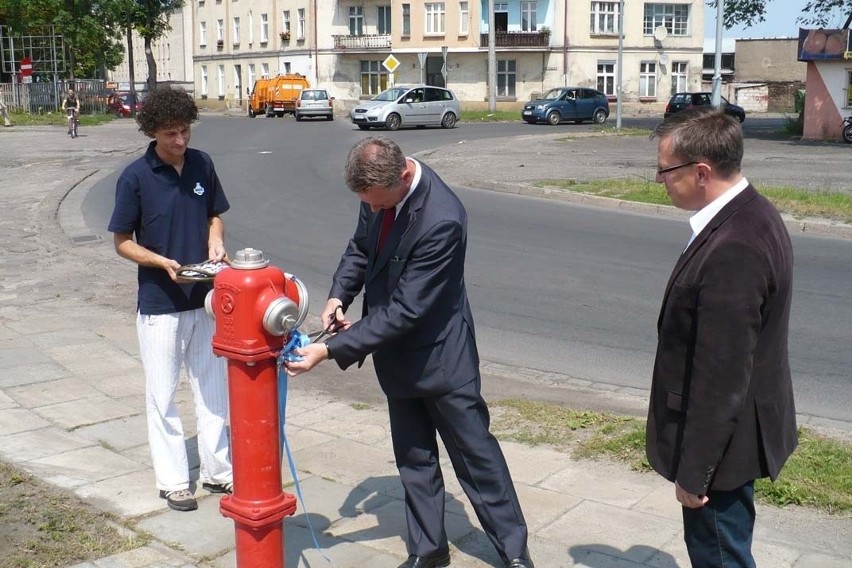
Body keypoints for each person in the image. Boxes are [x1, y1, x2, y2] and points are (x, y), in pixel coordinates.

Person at [285, 136, 534, 568]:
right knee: (414, 459)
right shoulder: (377, 192)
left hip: (442, 358)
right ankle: (428, 550)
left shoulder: (442, 219)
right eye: (369, 204)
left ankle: (514, 554)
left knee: (476, 461)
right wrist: (338, 296)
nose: (374, 210)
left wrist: (328, 352)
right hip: (395, 355)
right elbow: (361, 248)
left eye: (380, 204)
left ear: (403, 176)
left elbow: (407, 310)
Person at [645, 106, 797, 568]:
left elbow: (722, 375)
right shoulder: (751, 213)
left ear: (702, 172)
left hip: (722, 450)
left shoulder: (735, 247)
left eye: (666, 170)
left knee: (720, 555)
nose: (659, 179)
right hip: (735, 435)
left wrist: (696, 473)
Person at [107, 86, 233, 512]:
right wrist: (159, 261)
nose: (179, 141)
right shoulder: (135, 177)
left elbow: (215, 214)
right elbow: (122, 241)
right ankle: (175, 480)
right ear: (151, 133)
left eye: (184, 131)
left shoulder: (202, 163)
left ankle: (220, 472)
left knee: (213, 389)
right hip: (160, 303)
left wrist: (216, 243)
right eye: (169, 134)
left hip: (205, 298)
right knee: (162, 395)